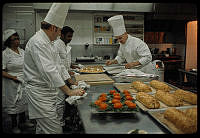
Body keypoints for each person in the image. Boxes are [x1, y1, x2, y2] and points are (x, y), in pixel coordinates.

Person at [23, 3, 85, 134]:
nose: (58, 35)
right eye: (58, 31)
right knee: (54, 130)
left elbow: (59, 66)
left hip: (48, 91)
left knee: (42, 129)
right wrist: (69, 92)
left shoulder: (49, 43)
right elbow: (49, 71)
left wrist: (71, 81)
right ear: (52, 28)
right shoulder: (38, 42)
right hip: (39, 93)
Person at [2, 29, 34, 134]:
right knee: (13, 104)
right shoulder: (5, 54)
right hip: (12, 83)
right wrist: (14, 78)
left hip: (23, 80)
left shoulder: (22, 51)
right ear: (9, 42)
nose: (17, 41)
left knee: (23, 102)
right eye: (14, 39)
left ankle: (23, 121)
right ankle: (14, 125)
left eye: (18, 38)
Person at [54, 26, 84, 133]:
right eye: (68, 36)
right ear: (61, 35)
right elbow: (59, 65)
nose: (70, 38)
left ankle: (63, 121)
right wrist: (69, 78)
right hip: (58, 79)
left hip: (64, 76)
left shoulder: (66, 45)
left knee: (63, 102)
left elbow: (65, 63)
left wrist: (71, 69)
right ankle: (60, 125)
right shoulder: (56, 45)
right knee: (59, 102)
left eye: (71, 36)